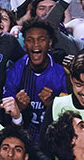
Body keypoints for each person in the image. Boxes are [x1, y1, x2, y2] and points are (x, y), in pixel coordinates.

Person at [4, 19, 66, 148]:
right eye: (30, 40)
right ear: (24, 43)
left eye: (41, 39)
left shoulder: (61, 73)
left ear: (49, 43)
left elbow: (68, 114)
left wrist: (52, 104)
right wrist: (18, 108)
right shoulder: (15, 71)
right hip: (24, 137)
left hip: (53, 140)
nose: (35, 44)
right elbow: (6, 111)